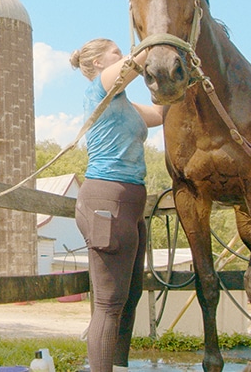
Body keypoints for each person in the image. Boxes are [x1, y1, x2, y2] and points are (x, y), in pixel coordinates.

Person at [69, 38, 163, 372]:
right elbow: (130, 67)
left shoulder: (124, 103)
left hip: (131, 202)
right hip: (106, 199)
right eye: (116, 52)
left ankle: (119, 367)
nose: (123, 55)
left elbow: (162, 112)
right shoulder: (100, 89)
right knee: (108, 303)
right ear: (98, 63)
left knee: (130, 296)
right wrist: (157, 38)